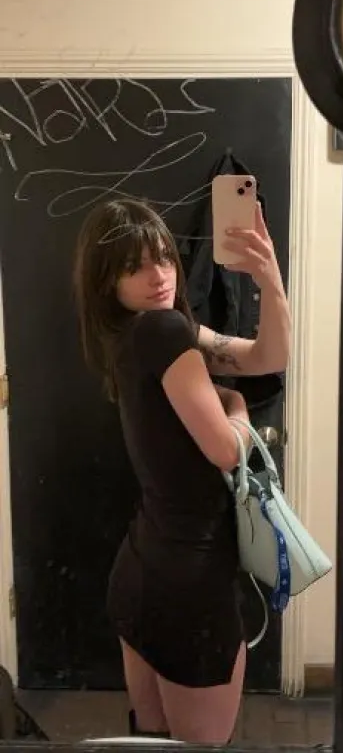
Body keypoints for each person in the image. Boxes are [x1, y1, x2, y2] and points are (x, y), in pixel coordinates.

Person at [73, 197, 290, 744]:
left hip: (141, 575)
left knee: (151, 738)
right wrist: (236, 408)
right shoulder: (165, 331)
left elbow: (268, 357)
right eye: (135, 266)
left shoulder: (137, 335)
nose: (159, 276)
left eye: (164, 258)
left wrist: (268, 278)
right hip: (189, 589)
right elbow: (226, 450)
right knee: (199, 746)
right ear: (107, 282)